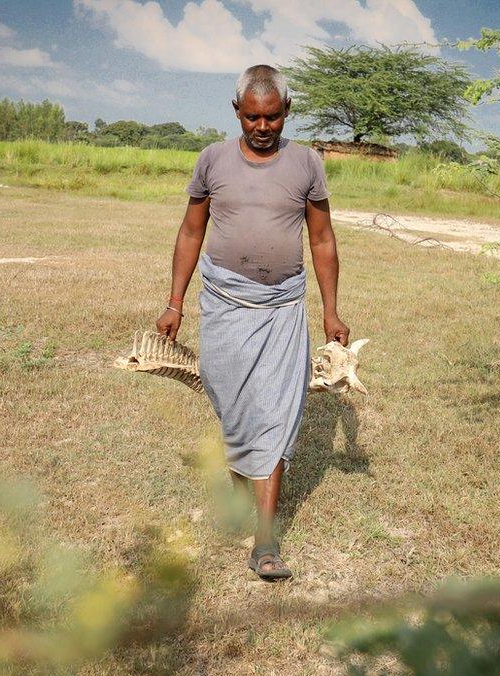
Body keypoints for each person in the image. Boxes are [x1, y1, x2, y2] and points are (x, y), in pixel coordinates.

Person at [155, 64, 350, 581]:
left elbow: (323, 240)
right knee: (231, 403)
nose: (262, 128)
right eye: (251, 118)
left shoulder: (307, 164)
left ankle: (265, 542)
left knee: (275, 415)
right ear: (236, 111)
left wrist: (330, 310)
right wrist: (175, 303)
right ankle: (241, 488)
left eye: (272, 118)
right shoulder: (212, 160)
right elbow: (191, 231)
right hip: (222, 301)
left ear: (287, 112)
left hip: (284, 307)